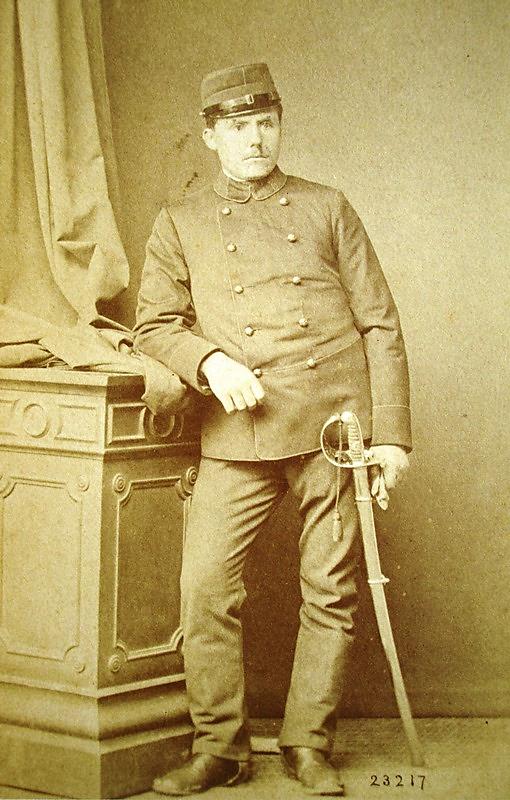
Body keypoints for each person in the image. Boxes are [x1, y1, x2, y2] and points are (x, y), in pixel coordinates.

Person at [134, 62, 411, 797]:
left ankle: (308, 744)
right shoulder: (179, 221)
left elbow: (381, 324)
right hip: (240, 428)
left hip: (332, 428)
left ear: (279, 125)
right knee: (204, 589)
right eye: (238, 127)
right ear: (210, 136)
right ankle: (220, 748)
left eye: (265, 123)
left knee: (330, 590)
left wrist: (390, 436)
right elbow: (153, 324)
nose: (255, 139)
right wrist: (209, 359)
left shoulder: (327, 206)